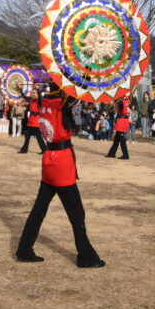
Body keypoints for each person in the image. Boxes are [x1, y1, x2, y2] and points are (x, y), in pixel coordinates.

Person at [15, 88, 105, 268]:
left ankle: (24, 249)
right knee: (76, 213)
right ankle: (86, 256)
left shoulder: (45, 102)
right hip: (61, 163)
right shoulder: (61, 105)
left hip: (49, 158)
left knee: (39, 210)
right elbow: (76, 100)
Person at [18, 88, 46, 154]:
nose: (33, 94)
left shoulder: (40, 101)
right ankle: (24, 150)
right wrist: (20, 89)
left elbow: (42, 98)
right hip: (30, 121)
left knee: (39, 138)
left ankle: (44, 150)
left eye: (34, 93)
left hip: (36, 122)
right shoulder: (30, 100)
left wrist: (40, 94)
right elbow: (24, 96)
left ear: (38, 94)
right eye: (32, 93)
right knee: (27, 137)